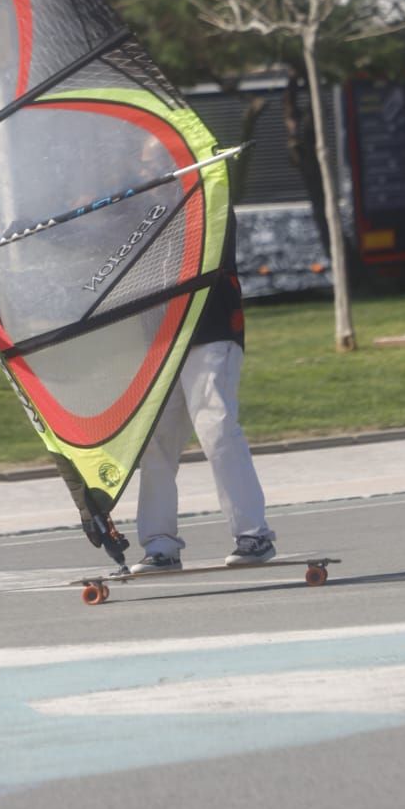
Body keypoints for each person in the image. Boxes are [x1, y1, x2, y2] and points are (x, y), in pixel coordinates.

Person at [131, 210, 276, 572]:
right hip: (160, 334)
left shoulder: (207, 187)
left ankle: (252, 534)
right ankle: (160, 544)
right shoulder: (140, 199)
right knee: (155, 440)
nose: (150, 161)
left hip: (210, 328)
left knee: (217, 429)